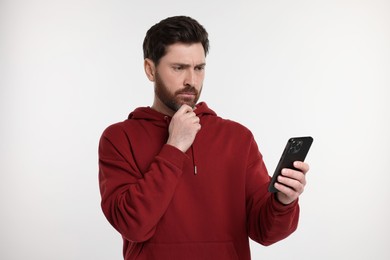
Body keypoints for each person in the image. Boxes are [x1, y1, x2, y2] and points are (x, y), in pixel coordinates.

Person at [98, 16, 310, 260]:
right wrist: (174, 146)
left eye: (199, 68)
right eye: (179, 68)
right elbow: (133, 225)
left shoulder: (238, 138)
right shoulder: (118, 138)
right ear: (150, 69)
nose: (192, 80)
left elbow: (264, 231)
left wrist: (283, 201)